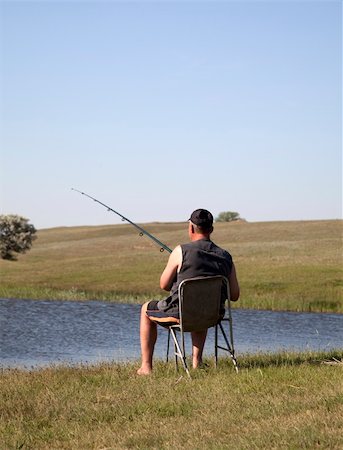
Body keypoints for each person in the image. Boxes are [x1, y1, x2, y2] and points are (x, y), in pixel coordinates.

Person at [137, 209, 240, 375]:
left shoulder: (180, 251)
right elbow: (234, 295)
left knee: (145, 309)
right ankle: (196, 362)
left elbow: (163, 284)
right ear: (211, 230)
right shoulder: (226, 256)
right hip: (212, 315)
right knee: (202, 303)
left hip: (181, 314)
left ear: (191, 228)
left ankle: (146, 367)